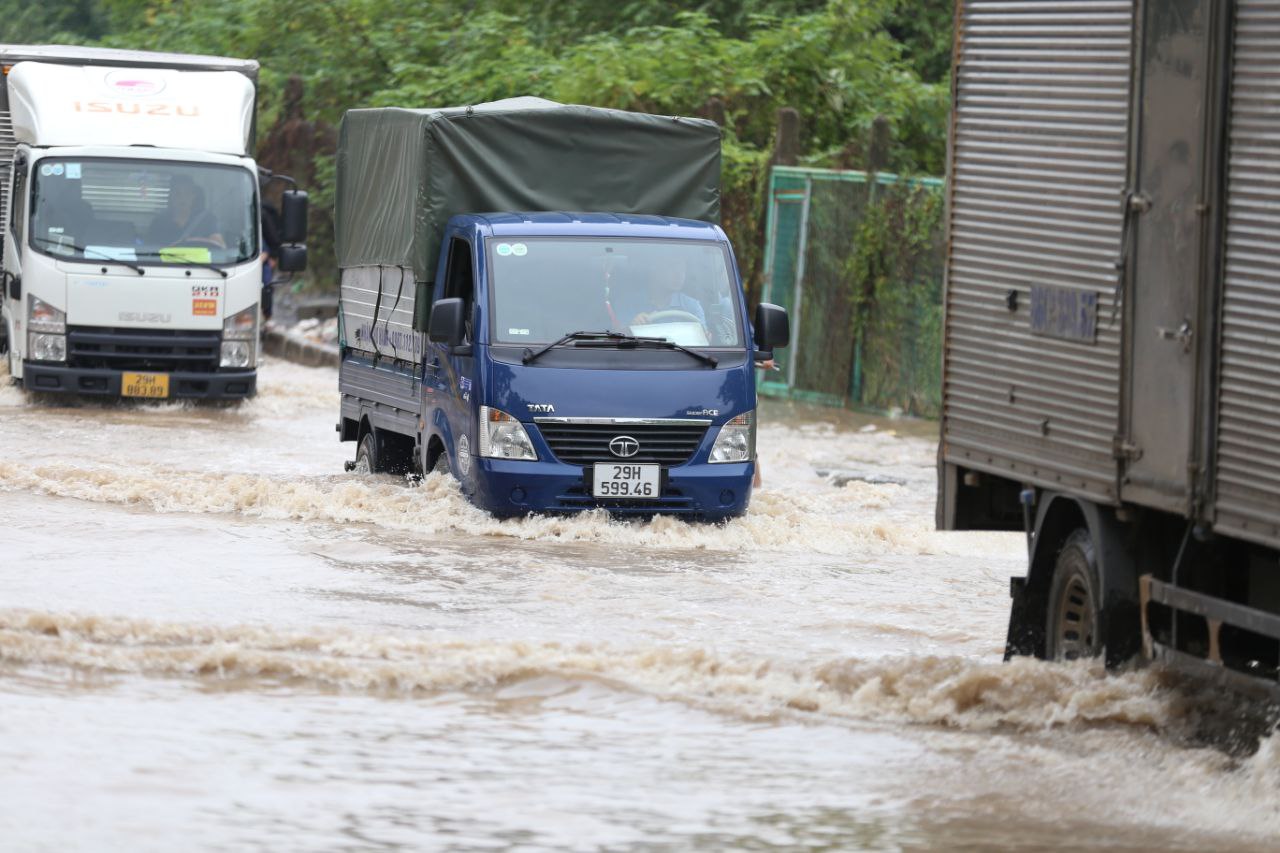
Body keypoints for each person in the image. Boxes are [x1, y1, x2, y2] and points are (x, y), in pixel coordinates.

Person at [616, 254, 706, 330]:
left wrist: (706, 335)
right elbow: (617, 338)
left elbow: (704, 341)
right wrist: (632, 325)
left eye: (682, 269)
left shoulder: (692, 306)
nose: (679, 274)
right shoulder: (629, 303)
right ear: (655, 269)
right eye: (672, 267)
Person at [146, 175, 223, 247]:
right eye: (177, 193)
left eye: (187, 193)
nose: (182, 198)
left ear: (194, 196)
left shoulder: (207, 220)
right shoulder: (159, 222)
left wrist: (193, 241)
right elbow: (151, 251)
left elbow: (220, 245)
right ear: (171, 196)